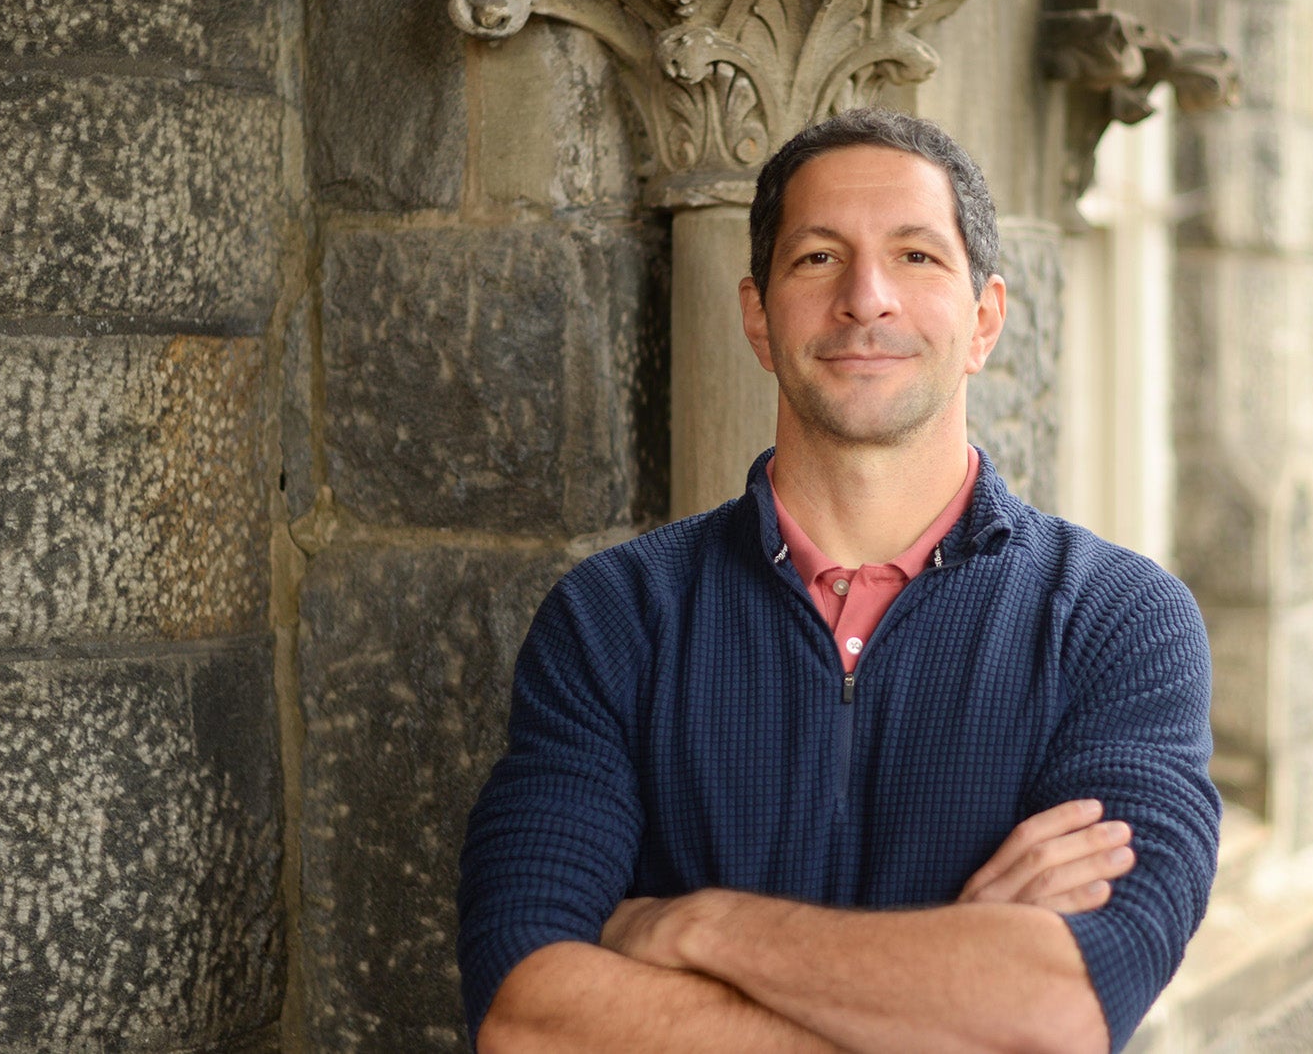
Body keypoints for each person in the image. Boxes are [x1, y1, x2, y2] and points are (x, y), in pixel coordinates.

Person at [456, 108, 1220, 1054]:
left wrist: (692, 927)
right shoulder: (617, 617)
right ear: (758, 316)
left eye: (916, 257)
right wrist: (949, 985)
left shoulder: (1118, 621)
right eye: (818, 257)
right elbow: (529, 1019)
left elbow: (1054, 1015)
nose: (866, 298)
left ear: (984, 320)